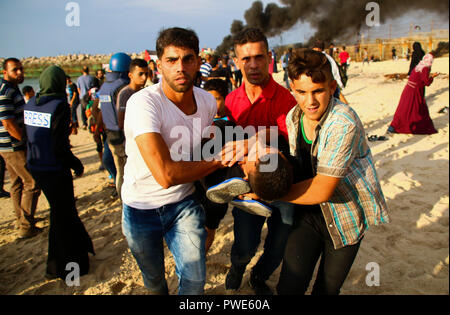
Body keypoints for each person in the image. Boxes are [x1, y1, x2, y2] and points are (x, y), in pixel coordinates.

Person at [271, 48, 389, 295]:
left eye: (318, 91)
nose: (310, 101)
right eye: (301, 92)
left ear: (332, 87)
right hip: (307, 216)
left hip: (345, 217)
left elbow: (323, 189)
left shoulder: (343, 122)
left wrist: (270, 195)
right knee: (289, 286)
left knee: (326, 289)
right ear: (291, 87)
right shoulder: (294, 117)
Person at [121, 27, 228, 295]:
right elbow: (165, 174)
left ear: (198, 62)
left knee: (194, 280)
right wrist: (219, 160)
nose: (180, 67)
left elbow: (205, 146)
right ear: (159, 65)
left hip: (183, 202)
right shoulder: (143, 104)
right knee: (154, 280)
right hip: (140, 207)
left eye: (188, 59)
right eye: (171, 60)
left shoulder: (206, 102)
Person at [223, 28, 297, 295]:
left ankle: (258, 276)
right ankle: (237, 269)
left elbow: (288, 138)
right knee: (244, 246)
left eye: (258, 57)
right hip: (247, 189)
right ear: (236, 62)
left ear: (269, 58)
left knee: (279, 245)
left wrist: (253, 141)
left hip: (281, 187)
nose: (253, 64)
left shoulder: (286, 98)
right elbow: (226, 144)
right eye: (246, 59)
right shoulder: (231, 101)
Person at [24, 65, 94, 280]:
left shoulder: (31, 103)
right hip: (55, 169)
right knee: (63, 215)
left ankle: (71, 257)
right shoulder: (59, 106)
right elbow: (59, 145)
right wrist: (76, 164)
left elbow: (29, 137)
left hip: (36, 167)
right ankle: (65, 266)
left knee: (61, 212)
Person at [0, 58, 41, 239]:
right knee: (32, 183)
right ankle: (25, 226)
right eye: (15, 70)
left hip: (9, 146)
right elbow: (8, 123)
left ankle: (21, 219)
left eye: (21, 69)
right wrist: (25, 142)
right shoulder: (5, 91)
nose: (20, 73)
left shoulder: (12, 89)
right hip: (13, 146)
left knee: (16, 183)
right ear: (5, 73)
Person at [93, 52, 131, 200]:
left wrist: (97, 129)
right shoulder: (122, 87)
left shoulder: (104, 87)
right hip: (122, 134)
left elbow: (101, 110)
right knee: (125, 170)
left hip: (110, 133)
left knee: (116, 167)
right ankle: (125, 198)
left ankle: (120, 193)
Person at [388, 53, 439, 135]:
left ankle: (393, 127)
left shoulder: (419, 65)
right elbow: (426, 82)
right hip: (415, 92)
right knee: (418, 109)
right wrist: (433, 77)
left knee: (403, 109)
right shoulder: (425, 68)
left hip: (408, 89)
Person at [312, 40, 348, 104]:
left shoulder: (322, 57)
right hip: (333, 81)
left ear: (317, 48)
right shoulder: (326, 56)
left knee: (336, 100)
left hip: (331, 81)